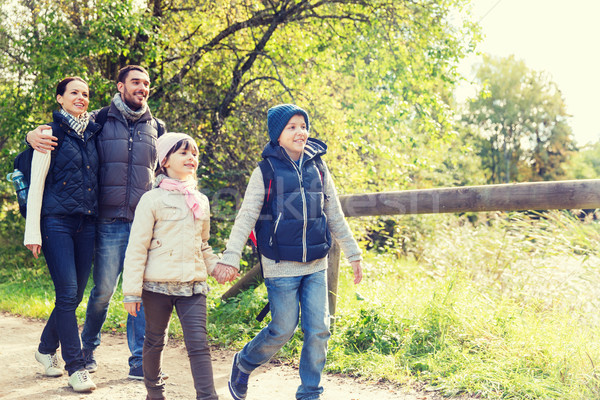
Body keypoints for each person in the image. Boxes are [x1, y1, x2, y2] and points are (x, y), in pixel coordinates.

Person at [213, 104, 363, 400]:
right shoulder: (266, 170)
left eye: (303, 125)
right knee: (283, 328)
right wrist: (230, 256)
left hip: (316, 262)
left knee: (319, 329)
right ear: (277, 135)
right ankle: (244, 362)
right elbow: (246, 216)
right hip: (280, 263)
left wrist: (353, 252)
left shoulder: (318, 166)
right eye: (291, 127)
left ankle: (310, 392)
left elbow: (333, 212)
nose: (300, 132)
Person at [26, 65, 165, 379]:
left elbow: (165, 171)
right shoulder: (99, 121)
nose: (142, 87)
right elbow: (52, 145)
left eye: (146, 83)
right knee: (100, 292)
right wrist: (32, 134)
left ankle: (138, 363)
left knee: (137, 292)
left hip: (140, 224)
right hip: (103, 221)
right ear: (120, 86)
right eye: (135, 82)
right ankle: (85, 350)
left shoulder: (157, 126)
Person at [122, 132, 237, 400]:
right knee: (154, 340)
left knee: (198, 344)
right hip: (157, 286)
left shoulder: (200, 200)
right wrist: (131, 292)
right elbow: (137, 249)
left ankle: (207, 396)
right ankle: (154, 394)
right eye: (183, 153)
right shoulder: (151, 200)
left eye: (194, 153)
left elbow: (204, 245)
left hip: (193, 286)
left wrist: (217, 267)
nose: (191, 158)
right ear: (165, 160)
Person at [25, 76, 101, 392]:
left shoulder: (95, 132)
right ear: (60, 98)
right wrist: (33, 232)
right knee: (68, 292)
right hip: (56, 222)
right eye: (74, 93)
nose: (80, 97)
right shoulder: (48, 134)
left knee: (76, 294)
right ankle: (76, 367)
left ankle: (44, 349)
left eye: (85, 93)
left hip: (88, 224)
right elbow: (37, 184)